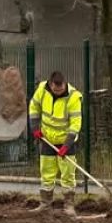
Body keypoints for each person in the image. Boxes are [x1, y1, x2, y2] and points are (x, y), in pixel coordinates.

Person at [28, 71, 83, 215]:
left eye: (61, 89)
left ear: (64, 84)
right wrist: (35, 128)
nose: (58, 92)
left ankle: (69, 205)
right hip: (47, 139)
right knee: (46, 172)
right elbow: (33, 108)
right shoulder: (42, 90)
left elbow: (76, 124)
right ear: (50, 84)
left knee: (67, 174)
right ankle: (45, 204)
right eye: (55, 90)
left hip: (66, 141)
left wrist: (66, 145)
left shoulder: (73, 97)